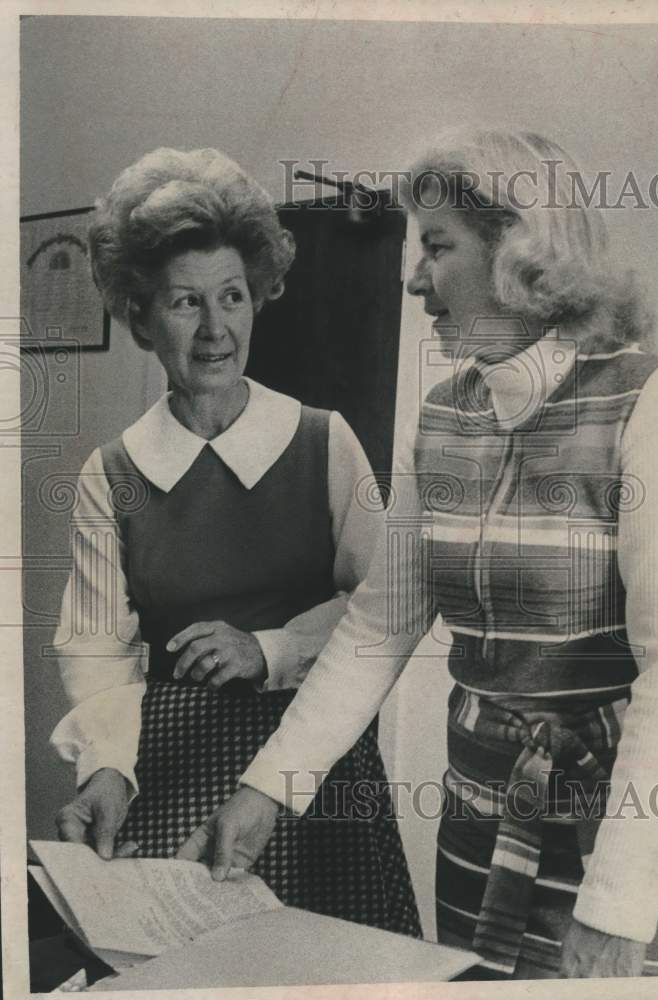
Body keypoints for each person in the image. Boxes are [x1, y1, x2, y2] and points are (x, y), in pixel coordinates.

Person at [184, 129, 658, 979]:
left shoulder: (656, 400)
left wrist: (616, 905)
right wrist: (266, 790)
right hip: (480, 815)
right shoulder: (443, 414)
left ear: (520, 251)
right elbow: (376, 628)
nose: (413, 279)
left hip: (626, 832)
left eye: (436, 247)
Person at [50, 146, 421, 937]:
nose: (216, 328)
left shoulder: (325, 441)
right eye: (186, 302)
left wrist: (269, 649)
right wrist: (105, 766)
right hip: (170, 767)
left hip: (312, 768)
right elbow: (95, 646)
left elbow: (382, 609)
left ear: (258, 299)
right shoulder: (111, 472)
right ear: (140, 317)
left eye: (233, 296)